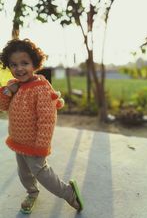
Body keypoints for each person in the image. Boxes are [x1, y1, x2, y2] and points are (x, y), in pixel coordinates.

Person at [0, 38, 84, 214]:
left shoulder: (41, 87)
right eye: (13, 64)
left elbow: (47, 119)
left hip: (35, 144)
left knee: (42, 173)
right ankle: (32, 192)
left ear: (35, 64)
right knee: (24, 173)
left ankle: (68, 193)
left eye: (25, 63)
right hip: (18, 140)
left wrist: (42, 145)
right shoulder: (15, 85)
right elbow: (2, 106)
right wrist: (8, 92)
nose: (19, 68)